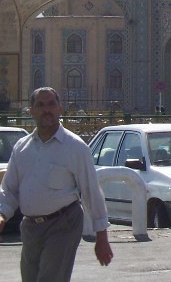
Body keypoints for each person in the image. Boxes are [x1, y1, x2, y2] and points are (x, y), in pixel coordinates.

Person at [0, 87, 113, 281]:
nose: (47, 110)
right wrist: (2, 216)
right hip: (30, 227)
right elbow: (10, 189)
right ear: (31, 111)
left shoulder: (75, 147)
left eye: (52, 104)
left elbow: (91, 191)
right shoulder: (22, 147)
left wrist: (101, 236)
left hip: (63, 223)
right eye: (41, 105)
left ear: (60, 109)